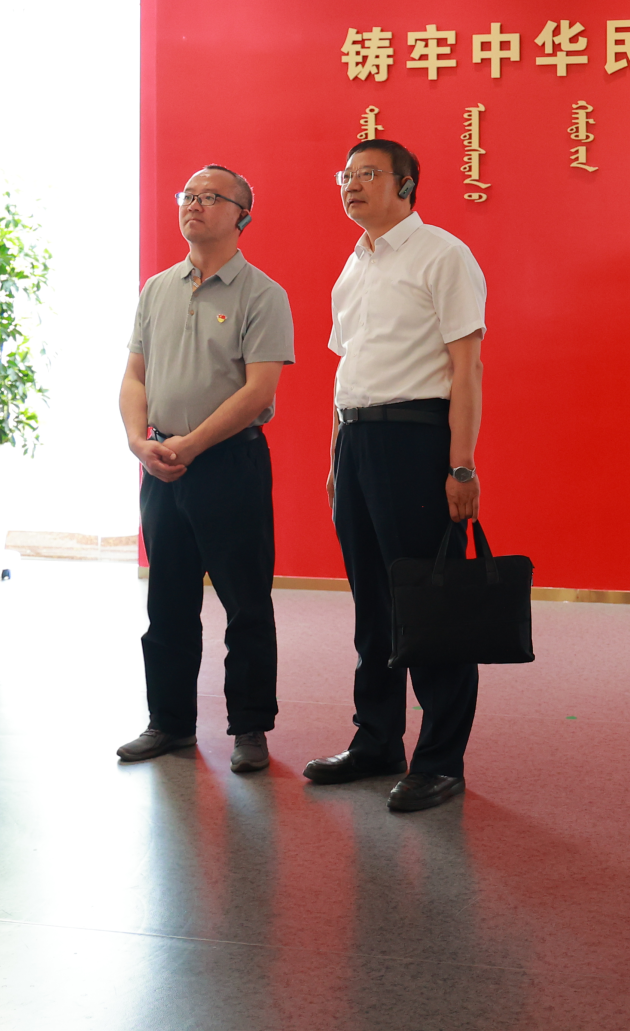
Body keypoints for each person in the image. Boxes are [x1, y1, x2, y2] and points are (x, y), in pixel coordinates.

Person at [306, 139, 488, 814]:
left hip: (416, 437)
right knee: (373, 605)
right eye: (346, 174)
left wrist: (461, 462)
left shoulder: (443, 254)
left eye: (368, 174)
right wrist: (335, 460)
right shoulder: (352, 265)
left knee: (428, 602)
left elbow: (467, 367)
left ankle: (440, 760)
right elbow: (346, 372)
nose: (351, 184)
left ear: (406, 184)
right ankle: (377, 739)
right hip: (357, 442)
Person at [116, 164, 293, 771]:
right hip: (161, 465)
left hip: (229, 464)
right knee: (166, 603)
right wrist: (139, 442)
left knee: (246, 604)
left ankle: (250, 728)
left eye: (211, 197)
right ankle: (168, 723)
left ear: (243, 216)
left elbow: (258, 390)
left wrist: (191, 445)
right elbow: (134, 375)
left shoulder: (263, 294)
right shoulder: (156, 288)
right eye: (188, 195)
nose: (194, 204)